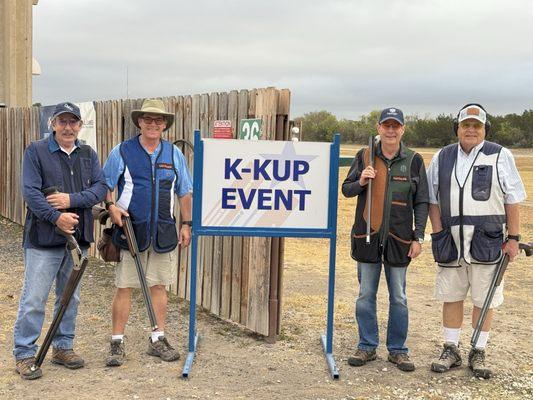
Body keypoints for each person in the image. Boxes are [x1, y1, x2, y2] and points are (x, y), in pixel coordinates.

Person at [427, 103, 526, 379]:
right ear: (457, 128)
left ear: (484, 129)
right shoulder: (442, 157)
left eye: (477, 125)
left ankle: (478, 351)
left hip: (488, 240)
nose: (471, 130)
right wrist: (438, 232)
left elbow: (512, 198)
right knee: (451, 295)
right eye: (466, 125)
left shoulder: (500, 155)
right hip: (451, 240)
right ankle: (451, 348)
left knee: (485, 298)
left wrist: (514, 238)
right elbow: (432, 199)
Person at [13, 102, 107, 380]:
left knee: (70, 297)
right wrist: (56, 217)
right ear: (53, 124)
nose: (68, 127)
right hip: (44, 240)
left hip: (78, 240)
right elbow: (31, 193)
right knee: (34, 298)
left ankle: (63, 347)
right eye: (62, 122)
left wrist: (70, 201)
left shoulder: (88, 154)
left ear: (79, 125)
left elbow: (100, 188)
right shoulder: (36, 152)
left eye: (73, 122)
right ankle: (24, 353)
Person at [102, 99, 192, 367]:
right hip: (131, 231)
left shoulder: (174, 155)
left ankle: (157, 338)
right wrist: (111, 207)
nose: (153, 124)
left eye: (159, 120)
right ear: (139, 122)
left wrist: (186, 224)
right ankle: (117, 342)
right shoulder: (122, 151)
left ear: (164, 125)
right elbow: (105, 185)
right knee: (124, 286)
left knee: (159, 286)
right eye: (148, 119)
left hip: (163, 232)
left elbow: (184, 192)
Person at [342, 107, 429, 372]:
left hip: (400, 240)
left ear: (403, 129)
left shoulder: (414, 160)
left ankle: (398, 350)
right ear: (379, 128)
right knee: (365, 294)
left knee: (399, 297)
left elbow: (422, 201)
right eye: (386, 125)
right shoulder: (365, 155)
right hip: (367, 238)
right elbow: (347, 190)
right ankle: (367, 346)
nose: (391, 130)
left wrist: (419, 237)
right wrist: (362, 181)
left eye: (396, 126)